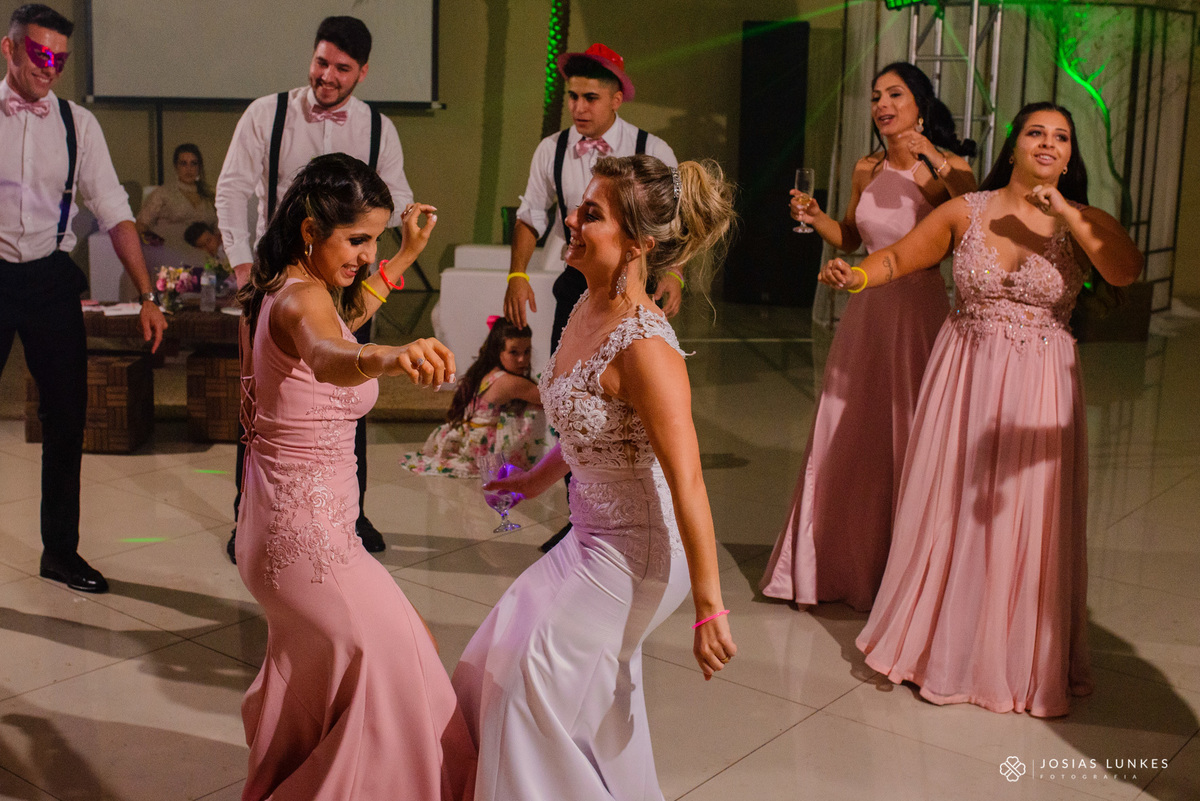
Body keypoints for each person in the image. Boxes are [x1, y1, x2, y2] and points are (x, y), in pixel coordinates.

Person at [821, 103, 1143, 716]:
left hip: (1040, 385)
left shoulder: (1085, 220)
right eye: (1035, 133)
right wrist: (855, 278)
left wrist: (1067, 213)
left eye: (1061, 137)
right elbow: (895, 259)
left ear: (1070, 155)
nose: (1048, 143)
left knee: (1027, 514)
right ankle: (943, 643)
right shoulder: (966, 210)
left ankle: (1016, 654)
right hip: (964, 375)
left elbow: (1122, 271)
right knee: (955, 505)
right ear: (1013, 145)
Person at [453, 155, 737, 799]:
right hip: (588, 537)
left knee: (522, 691)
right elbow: (593, 430)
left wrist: (710, 605)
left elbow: (688, 482)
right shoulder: (584, 305)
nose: (572, 221)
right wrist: (530, 482)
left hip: (638, 552)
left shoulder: (647, 349)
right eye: (579, 207)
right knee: (487, 664)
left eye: (593, 214)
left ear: (638, 243)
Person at [234, 153, 475, 798]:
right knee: (400, 673)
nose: (368, 256)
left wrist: (401, 257)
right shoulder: (302, 301)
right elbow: (331, 351)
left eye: (375, 240)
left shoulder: (287, 287)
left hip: (290, 534)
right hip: (306, 544)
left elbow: (342, 324)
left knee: (369, 668)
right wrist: (391, 356)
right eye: (359, 240)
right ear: (311, 229)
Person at [760, 62, 976, 612]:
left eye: (894, 94)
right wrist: (817, 216)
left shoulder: (950, 169)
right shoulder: (865, 167)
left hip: (920, 310)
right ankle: (832, 564)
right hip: (867, 312)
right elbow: (854, 238)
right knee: (850, 433)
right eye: (876, 96)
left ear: (920, 105)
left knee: (909, 433)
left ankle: (908, 576)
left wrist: (934, 158)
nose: (881, 104)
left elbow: (972, 224)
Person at [217, 15, 413, 559]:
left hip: (346, 279)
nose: (327, 75)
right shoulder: (268, 113)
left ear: (362, 72)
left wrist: (397, 235)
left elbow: (393, 201)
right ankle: (249, 514)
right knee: (263, 402)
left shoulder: (379, 129)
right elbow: (232, 190)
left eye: (341, 68)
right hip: (278, 278)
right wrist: (240, 267)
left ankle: (350, 512)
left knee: (347, 397)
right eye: (321, 62)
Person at [0, 3, 167, 594]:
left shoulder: (78, 125)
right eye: (40, 54)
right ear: (10, 48)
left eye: (60, 59)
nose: (50, 68)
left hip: (48, 279)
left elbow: (115, 212)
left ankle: (60, 553)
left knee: (67, 418)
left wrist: (148, 294)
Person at [504, 42, 679, 552]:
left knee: (628, 402)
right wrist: (517, 274)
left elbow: (672, 225)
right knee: (569, 395)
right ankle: (576, 512)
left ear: (617, 99)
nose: (578, 107)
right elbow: (531, 213)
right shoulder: (551, 150)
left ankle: (627, 505)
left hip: (632, 287)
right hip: (573, 284)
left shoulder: (653, 149)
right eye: (573, 97)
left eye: (590, 98)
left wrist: (677, 276)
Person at [401, 316, 547, 478]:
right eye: (514, 352)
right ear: (498, 351)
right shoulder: (510, 382)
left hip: (467, 436)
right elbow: (550, 399)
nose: (522, 359)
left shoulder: (488, 371)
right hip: (480, 446)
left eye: (527, 351)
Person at [135, 143, 218, 253]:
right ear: (176, 166)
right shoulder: (162, 194)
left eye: (193, 163)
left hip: (207, 259)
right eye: (183, 164)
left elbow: (219, 229)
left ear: (199, 167)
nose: (189, 169)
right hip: (168, 257)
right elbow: (141, 226)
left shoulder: (210, 195)